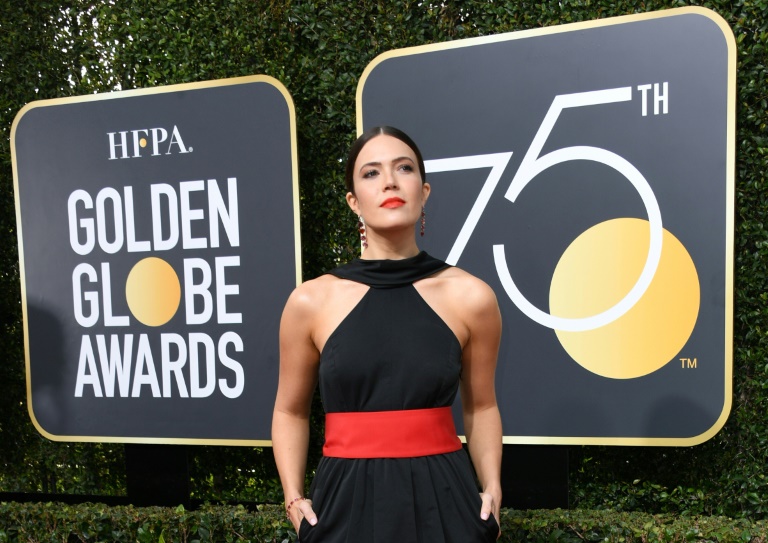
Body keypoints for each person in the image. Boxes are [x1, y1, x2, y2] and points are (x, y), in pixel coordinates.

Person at [272, 126, 503, 542]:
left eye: (404, 168)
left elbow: (482, 405)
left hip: (447, 502)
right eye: (371, 173)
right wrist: (293, 498)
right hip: (343, 505)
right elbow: (290, 411)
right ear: (353, 201)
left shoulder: (471, 297)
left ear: (425, 190)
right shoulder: (310, 302)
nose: (391, 181)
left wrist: (492, 491)